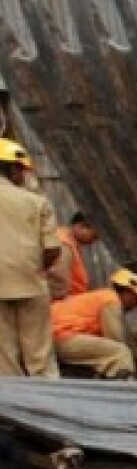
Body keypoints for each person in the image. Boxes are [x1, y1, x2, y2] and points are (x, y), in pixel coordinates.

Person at [0, 138, 61, 378]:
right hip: (30, 280)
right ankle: (48, 404)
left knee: (4, 356)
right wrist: (37, 267)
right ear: (13, 168)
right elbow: (52, 249)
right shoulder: (36, 202)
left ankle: (11, 407)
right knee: (40, 354)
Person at [50, 268, 137, 378]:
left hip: (51, 337)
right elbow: (114, 337)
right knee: (120, 353)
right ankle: (123, 391)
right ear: (129, 292)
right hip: (62, 338)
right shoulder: (111, 300)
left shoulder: (100, 296)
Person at [49, 212, 98, 299]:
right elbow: (57, 277)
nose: (93, 241)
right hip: (62, 303)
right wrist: (64, 299)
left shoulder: (68, 243)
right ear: (81, 226)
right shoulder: (64, 244)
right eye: (94, 236)